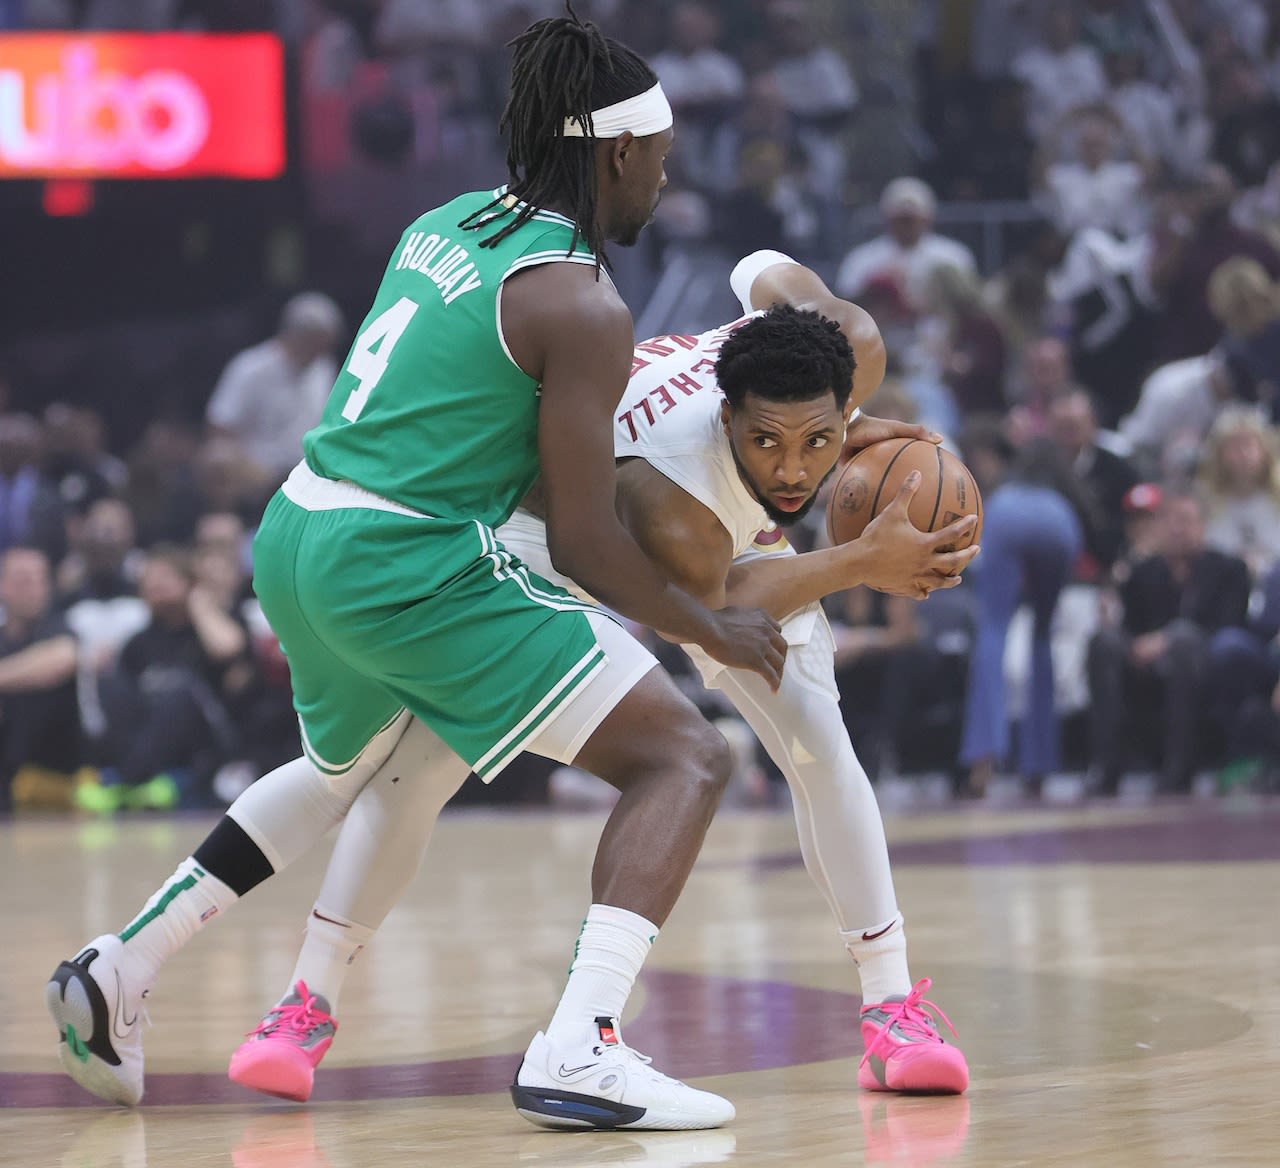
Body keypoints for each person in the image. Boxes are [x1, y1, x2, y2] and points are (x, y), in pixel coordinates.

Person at [47, 8, 788, 1133]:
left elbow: (456, 406)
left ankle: (123, 965)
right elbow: (586, 541)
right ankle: (583, 1044)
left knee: (341, 767)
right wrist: (706, 622)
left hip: (300, 528)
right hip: (404, 555)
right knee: (681, 755)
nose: (664, 182)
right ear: (619, 152)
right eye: (661, 158)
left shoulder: (442, 220)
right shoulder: (581, 303)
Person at [221, 252, 977, 1105]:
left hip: (710, 528)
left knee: (819, 745)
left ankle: (890, 1012)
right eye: (768, 442)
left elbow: (759, 264)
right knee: (422, 758)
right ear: (730, 418)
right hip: (562, 535)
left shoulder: (853, 342)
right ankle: (305, 1002)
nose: (797, 471)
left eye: (818, 442)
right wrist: (858, 560)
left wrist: (845, 439)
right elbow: (715, 600)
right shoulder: (679, 500)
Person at [956, 429, 1086, 798]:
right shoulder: (1063, 496)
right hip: (1060, 526)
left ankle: (983, 762)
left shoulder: (1006, 494)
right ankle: (1039, 763)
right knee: (1042, 636)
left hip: (1007, 518)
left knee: (993, 632)